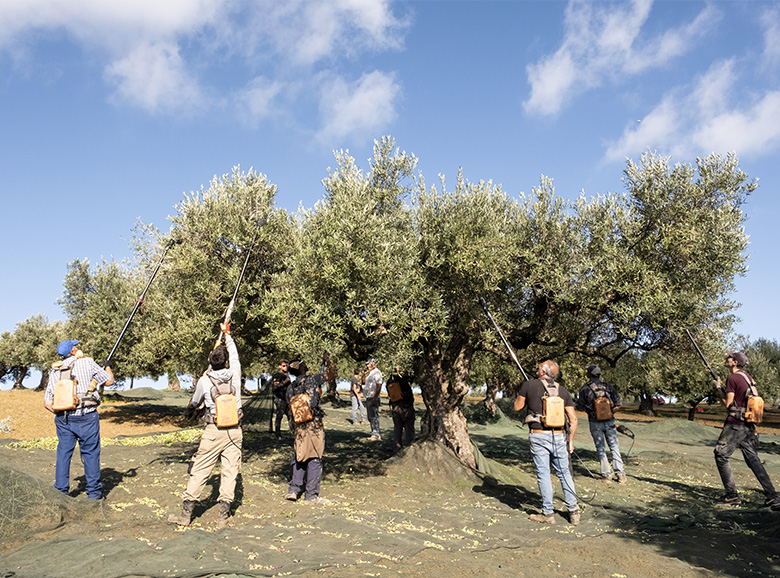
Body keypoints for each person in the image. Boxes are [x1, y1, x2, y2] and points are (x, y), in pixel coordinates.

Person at [169, 324, 243, 528]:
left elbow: (194, 402)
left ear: (211, 362)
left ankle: (185, 516)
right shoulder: (235, 374)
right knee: (230, 472)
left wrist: (205, 379)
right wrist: (228, 334)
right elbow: (235, 356)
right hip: (235, 431)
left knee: (200, 470)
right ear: (226, 362)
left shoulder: (204, 380)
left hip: (213, 430)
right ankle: (223, 516)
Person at [44, 338, 114, 500]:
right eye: (75, 346)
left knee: (63, 453)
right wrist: (108, 366)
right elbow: (109, 381)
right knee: (90, 453)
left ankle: (61, 491)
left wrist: (62, 412)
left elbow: (47, 403)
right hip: (87, 417)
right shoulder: (88, 363)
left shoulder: (55, 371)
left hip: (64, 419)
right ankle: (94, 494)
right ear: (73, 351)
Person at [514, 360, 580, 525]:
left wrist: (524, 394)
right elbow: (573, 419)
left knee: (543, 474)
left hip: (538, 435)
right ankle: (573, 512)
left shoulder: (529, 385)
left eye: (539, 368)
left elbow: (517, 407)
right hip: (559, 436)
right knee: (564, 473)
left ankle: (548, 514)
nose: (537, 370)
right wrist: (570, 441)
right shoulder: (563, 391)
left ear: (543, 372)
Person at [713, 351, 780, 509]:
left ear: (735, 362)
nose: (726, 358)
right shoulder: (748, 378)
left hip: (735, 424)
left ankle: (731, 496)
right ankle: (773, 497)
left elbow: (728, 404)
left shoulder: (732, 378)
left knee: (721, 455)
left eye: (729, 357)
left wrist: (718, 387)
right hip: (748, 425)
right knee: (753, 460)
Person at [285, 360, 329, 504]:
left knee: (299, 455)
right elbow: (331, 375)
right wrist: (327, 360)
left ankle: (294, 489)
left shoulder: (290, 388)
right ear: (302, 367)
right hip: (313, 423)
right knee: (315, 456)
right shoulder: (312, 379)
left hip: (298, 425)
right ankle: (311, 495)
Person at [576, 365, 626, 484]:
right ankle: (621, 475)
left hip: (594, 422)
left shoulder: (584, 388)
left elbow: (581, 407)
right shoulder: (608, 386)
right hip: (610, 421)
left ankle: (607, 476)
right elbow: (618, 403)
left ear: (590, 374)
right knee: (614, 446)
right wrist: (609, 413)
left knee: (601, 448)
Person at [386, 367, 415, 451]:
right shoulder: (403, 379)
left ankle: (397, 448)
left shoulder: (389, 381)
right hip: (406, 407)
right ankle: (409, 448)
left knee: (397, 428)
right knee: (409, 429)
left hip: (395, 407)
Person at [363, 359, 383, 441]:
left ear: (373, 364)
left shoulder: (377, 372)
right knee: (370, 416)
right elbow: (363, 382)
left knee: (374, 416)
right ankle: (373, 432)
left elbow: (379, 385)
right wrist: (363, 375)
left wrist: (375, 397)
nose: (367, 366)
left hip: (373, 397)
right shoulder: (370, 374)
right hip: (368, 396)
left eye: (368, 364)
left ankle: (376, 434)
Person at [272, 359, 292, 441]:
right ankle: (278, 434)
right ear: (280, 366)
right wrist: (285, 382)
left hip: (287, 399)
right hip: (279, 398)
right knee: (279, 416)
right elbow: (275, 386)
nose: (286, 367)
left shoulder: (287, 376)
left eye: (287, 366)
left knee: (290, 416)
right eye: (284, 366)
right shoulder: (277, 376)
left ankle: (294, 432)